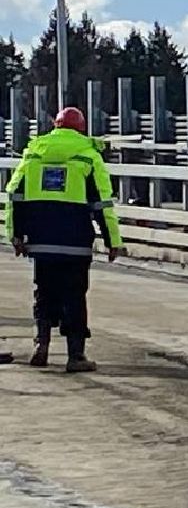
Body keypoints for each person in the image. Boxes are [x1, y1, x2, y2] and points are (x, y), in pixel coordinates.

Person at [4, 106, 125, 373]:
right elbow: (102, 204)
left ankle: (41, 344)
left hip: (41, 240)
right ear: (81, 129)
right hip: (75, 242)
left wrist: (15, 234)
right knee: (74, 296)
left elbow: (14, 195)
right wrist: (112, 241)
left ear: (55, 126)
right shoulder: (88, 156)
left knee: (43, 292)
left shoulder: (34, 153)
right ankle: (75, 355)